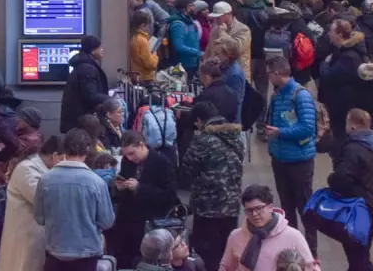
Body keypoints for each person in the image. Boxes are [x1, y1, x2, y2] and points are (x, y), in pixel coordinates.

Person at [34, 128, 115, 271]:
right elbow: (107, 221)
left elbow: (39, 218)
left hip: (55, 251)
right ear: (87, 149)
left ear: (64, 148)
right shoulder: (96, 182)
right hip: (87, 254)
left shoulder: (45, 180)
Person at [263, 56, 317, 258]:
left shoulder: (300, 96)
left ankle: (311, 252)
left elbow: (307, 128)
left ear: (277, 73)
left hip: (300, 162)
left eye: (269, 74)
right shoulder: (277, 95)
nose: (268, 78)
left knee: (305, 208)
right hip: (280, 159)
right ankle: (292, 250)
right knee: (287, 207)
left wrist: (280, 132)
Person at [181, 101, 243, 271]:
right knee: (228, 249)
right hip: (232, 205)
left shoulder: (203, 140)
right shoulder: (236, 137)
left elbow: (187, 169)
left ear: (199, 120)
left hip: (208, 207)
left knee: (208, 254)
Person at [326, 108, 373, 271]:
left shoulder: (353, 149)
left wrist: (331, 180)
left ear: (352, 126)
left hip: (357, 208)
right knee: (362, 248)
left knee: (357, 255)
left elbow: (342, 178)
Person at [110, 130, 179, 268]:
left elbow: (169, 196)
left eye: (132, 153)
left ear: (141, 145)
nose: (129, 158)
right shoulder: (127, 161)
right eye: (126, 154)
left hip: (149, 221)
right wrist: (119, 187)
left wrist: (140, 188)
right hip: (127, 221)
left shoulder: (162, 163)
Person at [0, 135, 65, 271]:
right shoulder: (27, 170)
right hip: (24, 238)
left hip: (37, 238)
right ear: (55, 156)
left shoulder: (41, 169)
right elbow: (44, 200)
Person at [219, 184, 317, 271]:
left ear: (270, 208)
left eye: (258, 208)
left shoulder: (293, 236)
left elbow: (310, 267)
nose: (254, 214)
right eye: (249, 210)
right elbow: (226, 267)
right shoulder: (235, 237)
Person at [318, 19, 366, 140]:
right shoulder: (342, 51)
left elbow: (330, 76)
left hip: (343, 105)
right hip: (340, 101)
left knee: (341, 135)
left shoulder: (349, 57)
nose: (329, 34)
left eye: (331, 31)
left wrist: (324, 64)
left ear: (339, 35)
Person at [60, 35, 110, 133]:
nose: (102, 50)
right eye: (100, 48)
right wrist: (109, 99)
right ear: (92, 50)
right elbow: (90, 96)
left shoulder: (82, 66)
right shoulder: (87, 69)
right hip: (82, 122)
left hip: (76, 120)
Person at [206, 1, 252, 83]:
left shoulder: (243, 29)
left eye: (219, 17)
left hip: (237, 76)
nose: (216, 20)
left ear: (229, 14)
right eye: (215, 17)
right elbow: (209, 51)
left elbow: (237, 49)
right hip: (217, 76)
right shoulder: (215, 30)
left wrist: (223, 34)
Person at [193, 56, 239, 124]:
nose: (200, 80)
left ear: (206, 77)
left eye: (201, 77)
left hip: (209, 129)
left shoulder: (205, 95)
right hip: (228, 128)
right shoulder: (233, 94)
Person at [167, 0, 203, 79]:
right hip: (182, 66)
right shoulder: (178, 24)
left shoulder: (189, 21)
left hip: (192, 64)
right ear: (187, 8)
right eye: (192, 5)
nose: (195, 8)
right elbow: (178, 46)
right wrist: (198, 53)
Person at [129, 10, 158, 82]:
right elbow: (150, 64)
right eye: (147, 25)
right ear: (142, 25)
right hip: (144, 77)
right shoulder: (142, 40)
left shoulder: (130, 36)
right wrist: (155, 55)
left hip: (134, 75)